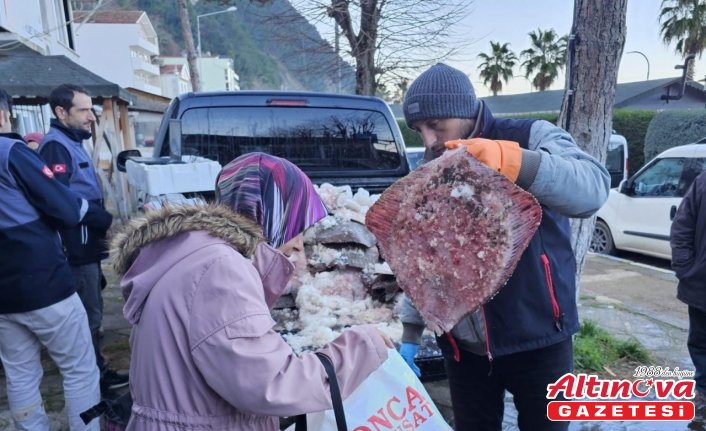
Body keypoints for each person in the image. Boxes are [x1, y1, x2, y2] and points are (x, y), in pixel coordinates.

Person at [109, 152, 392, 430]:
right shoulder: (220, 269)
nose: (298, 246)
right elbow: (271, 385)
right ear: (269, 213)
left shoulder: (191, 252)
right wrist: (362, 345)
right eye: (295, 224)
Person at [398, 63, 610, 431]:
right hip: (463, 347)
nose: (428, 139)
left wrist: (514, 161)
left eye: (436, 125)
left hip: (539, 337)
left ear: (464, 112)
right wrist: (411, 332)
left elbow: (592, 188)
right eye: (419, 129)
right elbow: (421, 257)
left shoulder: (530, 135)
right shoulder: (431, 166)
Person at [0, 88, 102, 429]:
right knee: (80, 368)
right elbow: (63, 205)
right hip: (42, 281)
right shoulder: (11, 151)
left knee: (21, 373)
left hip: (3, 295)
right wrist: (99, 217)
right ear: (4, 114)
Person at [38, 83, 128, 393]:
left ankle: (95, 369)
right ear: (60, 112)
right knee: (88, 314)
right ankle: (93, 379)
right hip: (74, 248)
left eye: (92, 109)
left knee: (94, 305)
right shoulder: (55, 146)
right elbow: (58, 200)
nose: (91, 116)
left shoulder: (71, 141)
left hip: (88, 244)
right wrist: (101, 217)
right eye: (84, 110)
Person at [671, 170, 706, 421]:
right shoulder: (703, 182)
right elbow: (682, 225)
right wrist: (686, 268)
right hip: (702, 285)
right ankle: (702, 392)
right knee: (700, 342)